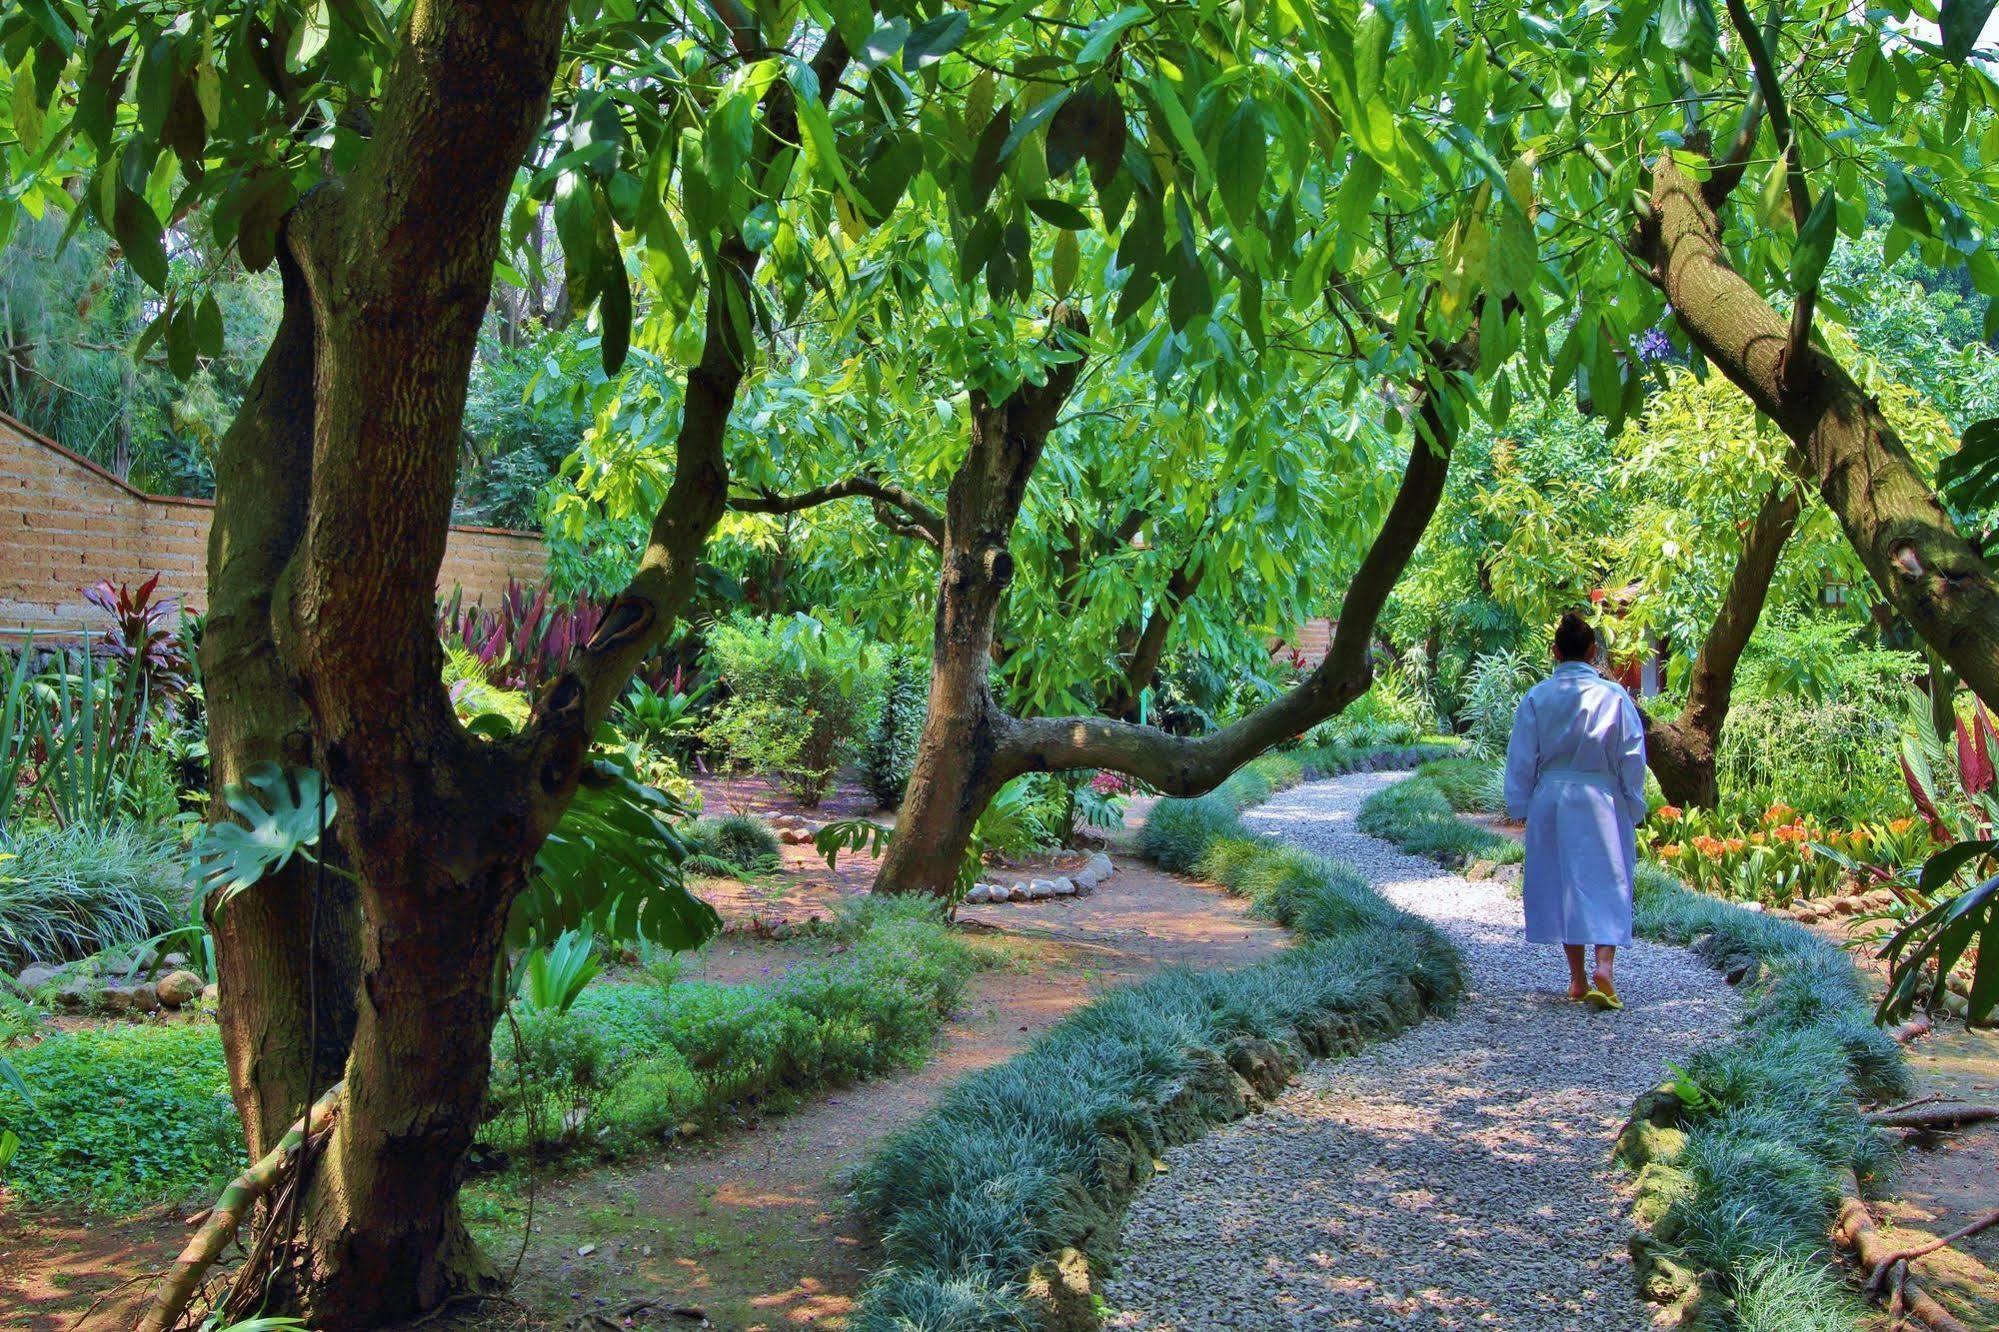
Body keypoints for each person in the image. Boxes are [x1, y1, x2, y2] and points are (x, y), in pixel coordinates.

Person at [1503, 611, 1649, 1010]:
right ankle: (1605, 966)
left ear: (1554, 652)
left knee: (1563, 880)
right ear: (1592, 651)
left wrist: (1520, 802)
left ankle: (1578, 977)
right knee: (1606, 878)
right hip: (1600, 795)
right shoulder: (1614, 696)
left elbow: (1521, 756)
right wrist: (1633, 800)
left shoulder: (1537, 697)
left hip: (1552, 796)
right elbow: (1632, 754)